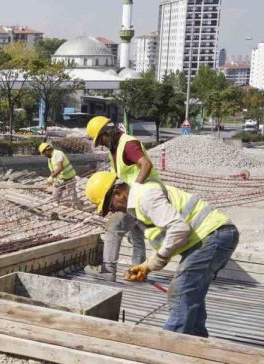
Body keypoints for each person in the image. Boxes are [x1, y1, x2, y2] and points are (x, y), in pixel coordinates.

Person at [85, 171, 239, 337]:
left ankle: (170, 345)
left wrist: (156, 261)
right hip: (213, 236)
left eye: (111, 206)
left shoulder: (146, 198)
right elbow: (170, 239)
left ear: (118, 193)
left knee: (181, 289)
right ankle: (197, 340)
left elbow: (179, 229)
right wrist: (146, 266)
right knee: (191, 292)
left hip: (214, 235)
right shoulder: (139, 203)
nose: (113, 211)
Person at [85, 116, 162, 280]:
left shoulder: (128, 144)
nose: (102, 144)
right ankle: (137, 270)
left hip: (139, 194)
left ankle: (107, 271)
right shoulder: (115, 148)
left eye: (102, 140)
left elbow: (146, 164)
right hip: (133, 196)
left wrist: (134, 192)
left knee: (113, 227)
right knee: (136, 234)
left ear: (108, 132)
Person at [38, 142, 81, 210]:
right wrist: (52, 179)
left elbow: (60, 168)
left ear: (47, 150)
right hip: (60, 179)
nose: (44, 155)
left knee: (72, 196)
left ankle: (78, 210)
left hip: (69, 178)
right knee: (55, 195)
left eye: (44, 154)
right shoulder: (50, 159)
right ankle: (54, 211)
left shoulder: (57, 153)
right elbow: (53, 171)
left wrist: (51, 177)